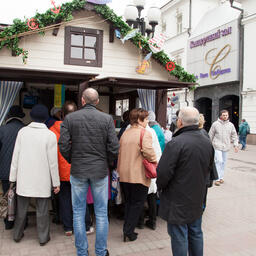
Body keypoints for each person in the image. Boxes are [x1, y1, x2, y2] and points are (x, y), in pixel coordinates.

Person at [59, 88, 119, 256]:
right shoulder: (107, 119)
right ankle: (100, 252)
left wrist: (72, 159)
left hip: (78, 170)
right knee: (101, 212)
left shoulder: (70, 118)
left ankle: (82, 252)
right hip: (100, 170)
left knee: (78, 212)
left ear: (83, 101)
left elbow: (63, 145)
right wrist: (106, 161)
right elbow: (114, 147)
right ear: (97, 101)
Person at [157, 107, 214, 256]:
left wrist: (160, 188)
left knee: (179, 235)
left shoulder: (176, 143)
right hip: (197, 195)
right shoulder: (207, 141)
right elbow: (208, 169)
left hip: (177, 199)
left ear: (180, 122)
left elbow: (163, 173)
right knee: (195, 232)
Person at [9, 104, 60, 245]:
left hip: (24, 177)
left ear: (31, 116)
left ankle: (17, 235)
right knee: (43, 210)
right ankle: (43, 238)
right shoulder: (50, 135)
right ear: (45, 118)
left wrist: (12, 178)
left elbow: (15, 157)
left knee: (21, 210)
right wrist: (56, 183)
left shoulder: (22, 132)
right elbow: (53, 163)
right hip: (42, 179)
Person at [117, 108, 157, 242]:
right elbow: (149, 152)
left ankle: (126, 229)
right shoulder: (144, 133)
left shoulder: (125, 133)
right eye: (145, 119)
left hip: (124, 173)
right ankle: (129, 231)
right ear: (139, 120)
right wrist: (154, 160)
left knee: (128, 202)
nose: (147, 121)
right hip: (138, 174)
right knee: (137, 203)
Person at [50, 101, 77, 236]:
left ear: (62, 114)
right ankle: (82, 225)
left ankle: (68, 228)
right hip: (77, 170)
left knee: (64, 199)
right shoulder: (79, 129)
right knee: (78, 199)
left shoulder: (52, 131)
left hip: (60, 171)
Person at [0, 105, 25, 230]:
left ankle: (9, 222)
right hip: (22, 170)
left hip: (5, 169)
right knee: (21, 198)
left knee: (7, 196)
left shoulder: (2, 129)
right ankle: (22, 223)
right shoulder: (25, 129)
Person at [209, 110, 239, 186]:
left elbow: (234, 135)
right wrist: (209, 145)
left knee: (223, 163)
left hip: (226, 146)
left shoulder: (231, 125)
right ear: (220, 116)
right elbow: (210, 135)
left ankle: (221, 177)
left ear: (228, 116)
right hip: (217, 146)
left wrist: (236, 145)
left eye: (226, 115)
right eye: (224, 115)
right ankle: (217, 179)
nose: (225, 116)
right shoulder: (215, 124)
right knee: (219, 161)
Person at [198, 114, 218, 211]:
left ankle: (202, 207)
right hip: (206, 170)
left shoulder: (200, 134)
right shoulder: (203, 133)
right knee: (203, 192)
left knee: (202, 192)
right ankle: (202, 206)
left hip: (203, 170)